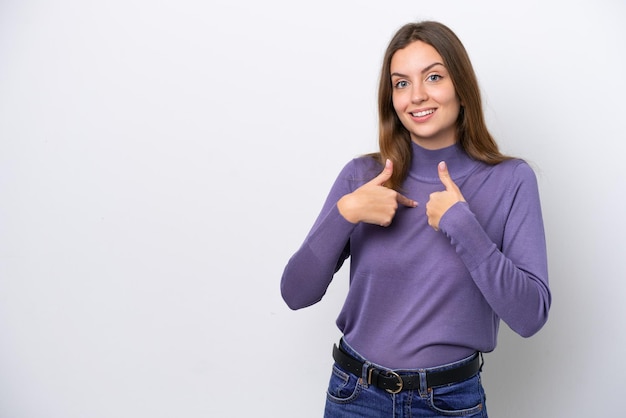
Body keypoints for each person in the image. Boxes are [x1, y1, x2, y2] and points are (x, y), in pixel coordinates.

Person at [280, 20, 551, 418]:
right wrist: (347, 213)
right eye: (401, 83)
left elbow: (530, 316)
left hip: (450, 403)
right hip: (355, 398)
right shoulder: (363, 177)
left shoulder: (510, 180)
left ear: (461, 86)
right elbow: (295, 293)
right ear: (390, 97)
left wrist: (462, 225)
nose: (417, 95)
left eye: (434, 77)